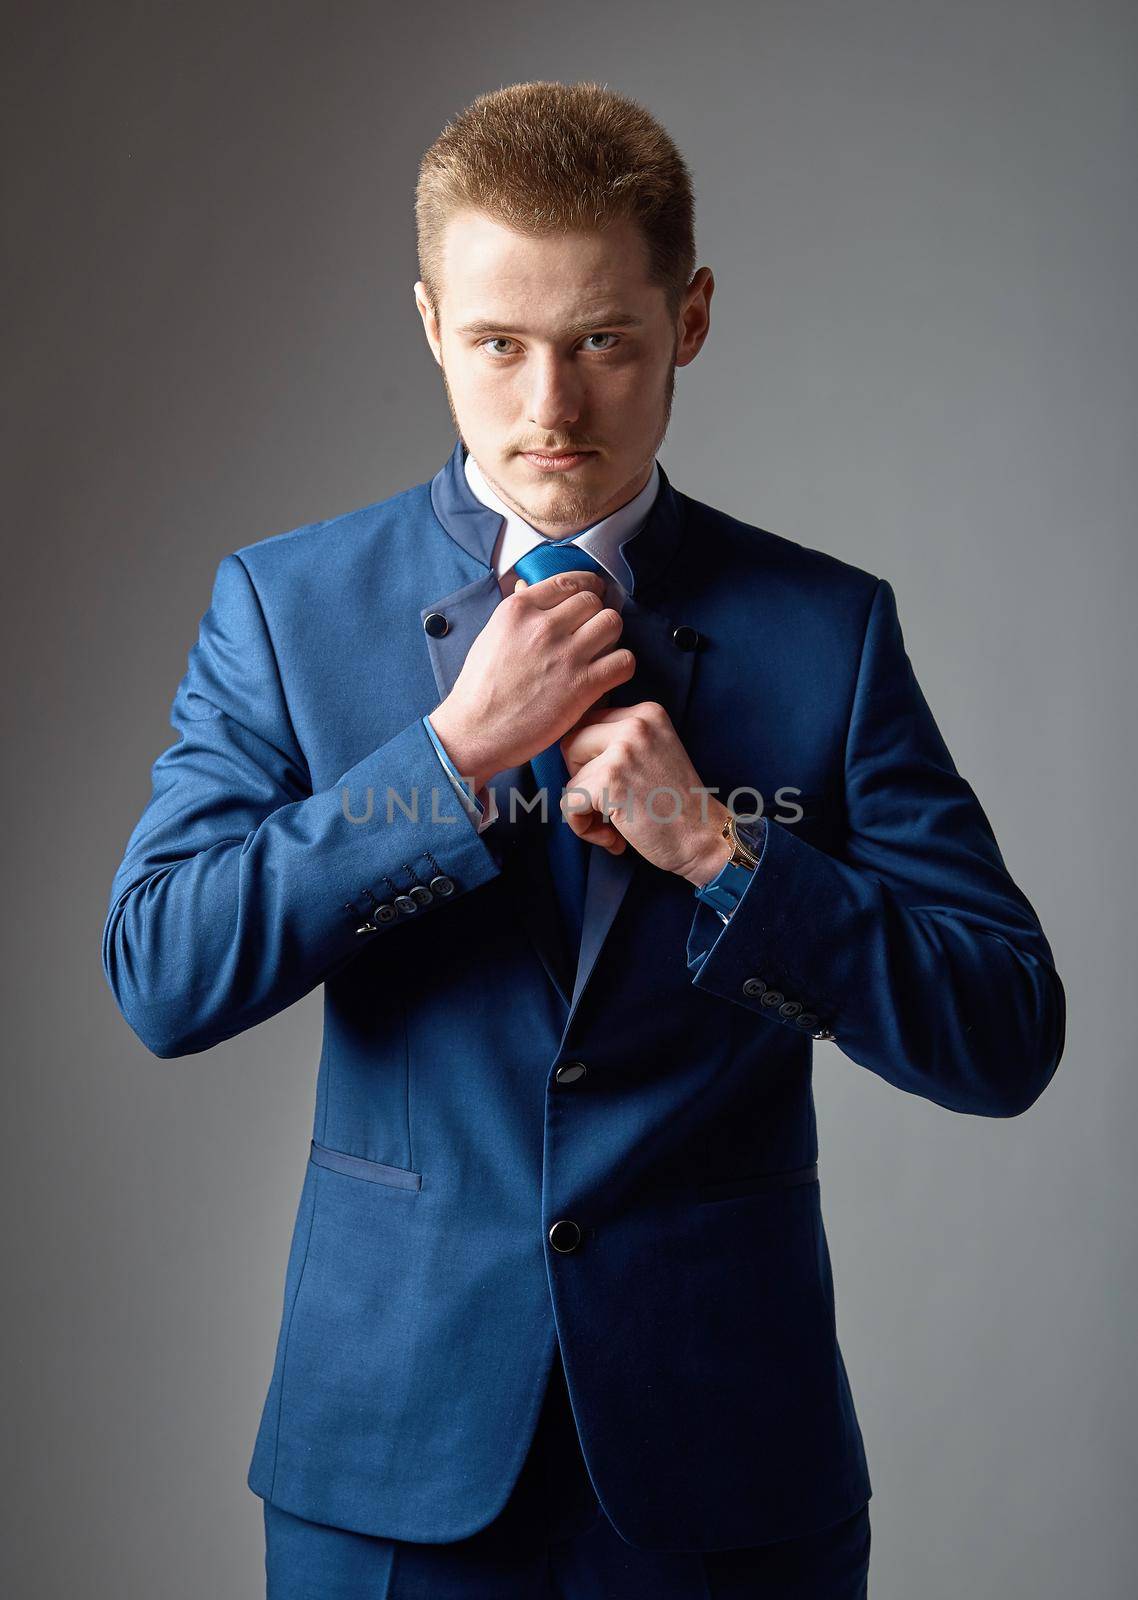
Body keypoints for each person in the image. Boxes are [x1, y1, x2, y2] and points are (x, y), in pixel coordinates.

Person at [101, 78, 1065, 1598]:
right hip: (387, 1469)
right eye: (496, 344)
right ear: (429, 325)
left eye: (601, 341)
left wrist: (720, 858)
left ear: (687, 320)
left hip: (725, 1469)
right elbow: (160, 971)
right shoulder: (287, 609)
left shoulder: (828, 630)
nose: (547, 406)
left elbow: (1003, 1031)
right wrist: (444, 761)